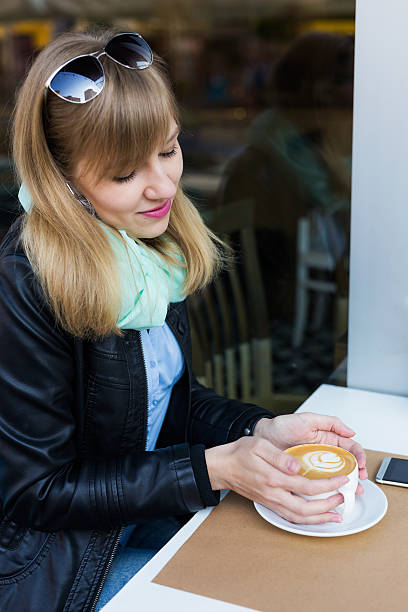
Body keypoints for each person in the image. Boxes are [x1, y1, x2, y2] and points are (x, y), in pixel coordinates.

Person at [0, 29, 367, 612]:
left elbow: (170, 404)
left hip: (147, 520)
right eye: (124, 174)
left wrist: (258, 430)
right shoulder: (26, 281)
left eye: (168, 149)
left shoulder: (151, 248)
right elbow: (35, 492)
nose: (164, 185)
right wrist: (217, 468)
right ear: (61, 179)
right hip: (64, 568)